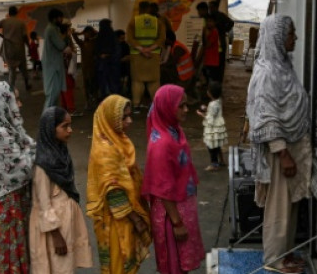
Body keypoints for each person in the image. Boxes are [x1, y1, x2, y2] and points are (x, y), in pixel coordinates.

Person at [246, 14, 310, 273]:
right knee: (278, 207)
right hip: (279, 151)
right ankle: (274, 259)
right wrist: (283, 154)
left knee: (289, 205)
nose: (294, 37)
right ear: (277, 38)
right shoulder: (267, 73)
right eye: (291, 33)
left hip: (289, 147)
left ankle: (284, 252)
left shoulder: (281, 65)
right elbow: (265, 116)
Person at [142, 85, 205, 274]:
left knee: (181, 264)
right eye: (181, 106)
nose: (186, 110)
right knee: (174, 265)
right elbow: (161, 188)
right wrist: (177, 223)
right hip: (171, 214)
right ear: (167, 107)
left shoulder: (174, 131)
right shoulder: (162, 144)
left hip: (182, 208)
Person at [86, 95, 151, 274]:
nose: (129, 121)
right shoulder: (106, 150)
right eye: (124, 117)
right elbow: (114, 191)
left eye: (130, 116)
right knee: (119, 264)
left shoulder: (118, 140)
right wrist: (137, 219)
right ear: (110, 119)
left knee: (126, 263)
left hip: (126, 216)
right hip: (115, 220)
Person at [0, 82, 36, 274]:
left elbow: (29, 149)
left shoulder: (11, 128)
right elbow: (22, 170)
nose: (19, 105)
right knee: (10, 260)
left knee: (20, 257)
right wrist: (33, 151)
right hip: (6, 205)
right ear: (1, 103)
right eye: (15, 100)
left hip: (16, 201)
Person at [29, 107, 93, 274]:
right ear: (51, 129)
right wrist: (57, 236)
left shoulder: (61, 153)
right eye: (64, 126)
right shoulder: (43, 165)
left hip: (65, 225)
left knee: (65, 267)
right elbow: (43, 204)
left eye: (70, 125)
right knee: (58, 268)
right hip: (53, 231)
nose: (70, 130)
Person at [126, 2, 165, 109]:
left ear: (140, 8)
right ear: (149, 8)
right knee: (154, 81)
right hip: (153, 55)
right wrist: (150, 49)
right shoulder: (158, 22)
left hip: (137, 56)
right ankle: (156, 105)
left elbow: (130, 39)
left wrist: (142, 50)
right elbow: (161, 39)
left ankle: (136, 105)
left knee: (137, 82)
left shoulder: (133, 21)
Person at [0, 6, 32, 92]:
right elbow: (25, 36)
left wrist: (1, 35)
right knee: (23, 69)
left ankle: (11, 88)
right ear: (17, 13)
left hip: (8, 48)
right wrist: (29, 46)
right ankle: (27, 85)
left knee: (11, 70)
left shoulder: (5, 21)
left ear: (9, 13)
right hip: (19, 48)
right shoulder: (21, 23)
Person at [42, 9, 71, 110]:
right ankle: (46, 120)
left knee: (54, 94)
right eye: (60, 18)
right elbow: (61, 45)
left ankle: (50, 118)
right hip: (53, 66)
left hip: (52, 65)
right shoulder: (52, 29)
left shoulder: (52, 28)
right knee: (52, 94)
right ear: (55, 18)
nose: (61, 20)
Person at [197, 82, 227, 171]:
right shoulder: (218, 101)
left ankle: (214, 164)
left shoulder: (212, 104)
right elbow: (214, 111)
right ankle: (221, 160)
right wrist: (207, 109)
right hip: (218, 127)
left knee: (211, 146)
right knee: (217, 145)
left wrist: (201, 114)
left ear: (210, 93)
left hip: (213, 128)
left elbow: (209, 118)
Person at [94, 19, 121, 99]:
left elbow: (96, 50)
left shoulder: (99, 36)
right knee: (113, 84)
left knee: (104, 84)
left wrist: (101, 55)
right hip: (113, 64)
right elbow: (117, 50)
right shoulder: (113, 36)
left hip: (102, 64)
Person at [208, 0, 234, 84]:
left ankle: (219, 81)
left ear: (215, 7)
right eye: (209, 7)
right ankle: (214, 79)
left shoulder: (220, 16)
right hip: (213, 43)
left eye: (211, 7)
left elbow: (231, 22)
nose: (210, 9)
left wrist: (225, 30)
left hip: (220, 43)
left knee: (220, 62)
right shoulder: (210, 16)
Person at [72, 26, 98, 109]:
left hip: (93, 66)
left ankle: (94, 99)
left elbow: (99, 35)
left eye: (88, 33)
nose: (86, 35)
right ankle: (88, 101)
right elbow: (74, 36)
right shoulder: (83, 43)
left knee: (94, 83)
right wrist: (80, 33)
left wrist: (94, 32)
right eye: (85, 33)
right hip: (85, 67)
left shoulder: (95, 42)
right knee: (86, 84)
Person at [59, 22, 79, 116]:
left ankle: (64, 108)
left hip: (59, 69)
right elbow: (70, 52)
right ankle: (71, 109)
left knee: (62, 89)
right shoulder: (65, 40)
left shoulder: (57, 40)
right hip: (66, 68)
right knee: (68, 88)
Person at [196, 16, 221, 87]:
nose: (208, 23)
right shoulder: (208, 31)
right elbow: (203, 44)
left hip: (212, 61)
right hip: (208, 60)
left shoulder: (214, 32)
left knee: (211, 81)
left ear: (214, 23)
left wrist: (205, 34)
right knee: (205, 77)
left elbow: (207, 45)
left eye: (211, 21)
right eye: (207, 21)